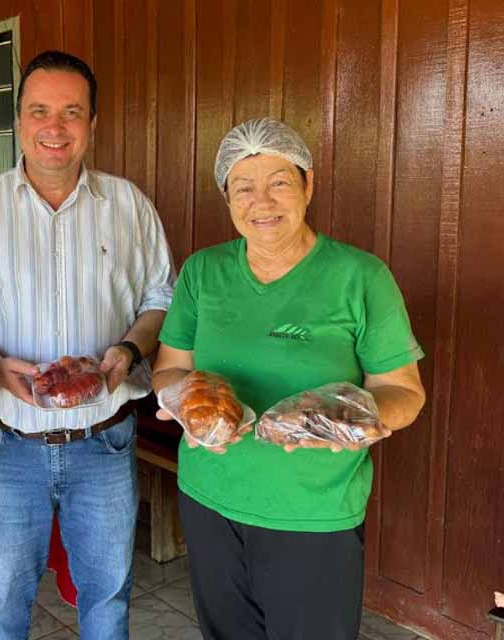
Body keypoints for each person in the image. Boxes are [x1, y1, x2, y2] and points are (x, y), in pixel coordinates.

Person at [152, 118, 427, 640]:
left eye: (279, 181)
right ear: (226, 197)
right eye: (244, 186)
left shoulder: (360, 277)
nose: (263, 202)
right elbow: (170, 367)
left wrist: (344, 419)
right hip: (209, 498)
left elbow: (405, 392)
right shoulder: (202, 272)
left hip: (312, 512)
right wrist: (183, 402)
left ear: (308, 185)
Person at [0, 50, 175, 639]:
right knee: (3, 606)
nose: (55, 127)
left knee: (107, 601)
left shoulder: (130, 206)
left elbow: (160, 300)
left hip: (105, 443)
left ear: (92, 124)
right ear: (18, 121)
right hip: (10, 442)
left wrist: (129, 352)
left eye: (72, 112)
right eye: (39, 111)